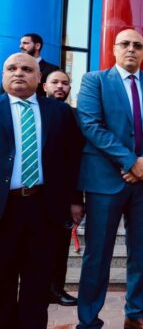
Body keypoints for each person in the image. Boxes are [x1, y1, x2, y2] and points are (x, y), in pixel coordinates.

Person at [76, 29, 143, 329]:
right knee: (98, 254)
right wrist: (131, 162)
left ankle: (135, 314)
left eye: (137, 45)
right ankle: (89, 320)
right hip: (105, 181)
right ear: (114, 49)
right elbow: (90, 125)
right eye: (125, 44)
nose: (131, 49)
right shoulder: (94, 81)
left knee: (140, 252)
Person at [0, 54, 81, 329]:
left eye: (26, 69)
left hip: (44, 208)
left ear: (39, 78)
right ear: (3, 75)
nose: (18, 73)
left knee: (37, 282)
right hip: (4, 209)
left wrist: (75, 200)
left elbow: (72, 159)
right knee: (2, 280)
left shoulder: (59, 113)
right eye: (11, 68)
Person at [43, 71, 85, 308]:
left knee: (60, 246)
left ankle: (55, 289)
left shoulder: (73, 116)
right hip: (29, 193)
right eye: (55, 82)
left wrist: (76, 199)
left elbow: (75, 159)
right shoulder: (32, 111)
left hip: (61, 196)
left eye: (65, 83)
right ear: (44, 85)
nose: (60, 86)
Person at [19, 33, 60, 98]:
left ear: (37, 46)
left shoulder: (52, 70)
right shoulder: (15, 68)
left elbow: (53, 95)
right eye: (21, 43)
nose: (20, 46)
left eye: (25, 43)